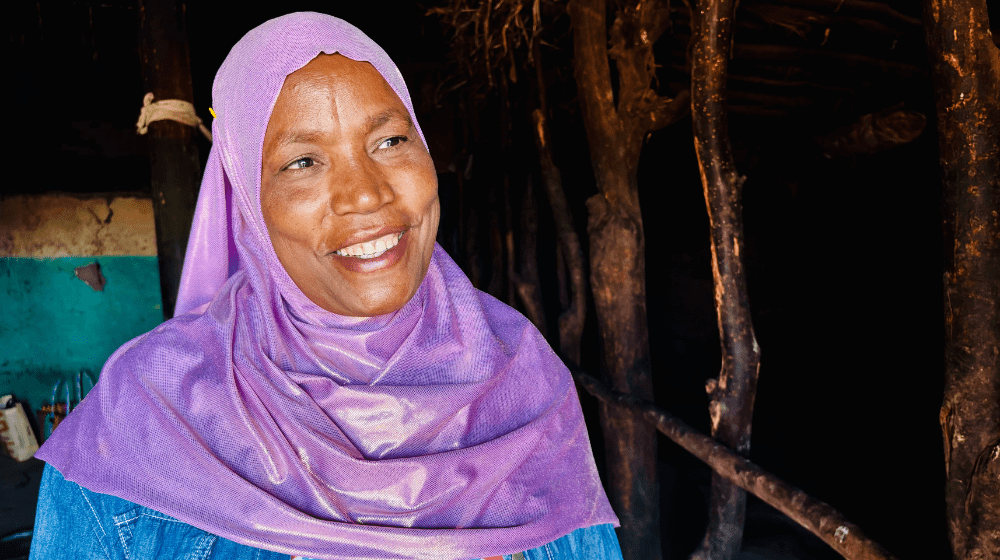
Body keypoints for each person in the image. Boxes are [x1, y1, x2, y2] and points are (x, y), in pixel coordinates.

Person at [28, 12, 622, 560]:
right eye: (303, 162)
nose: (366, 194)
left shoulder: (522, 378)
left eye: (391, 141)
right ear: (248, 205)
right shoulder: (146, 417)